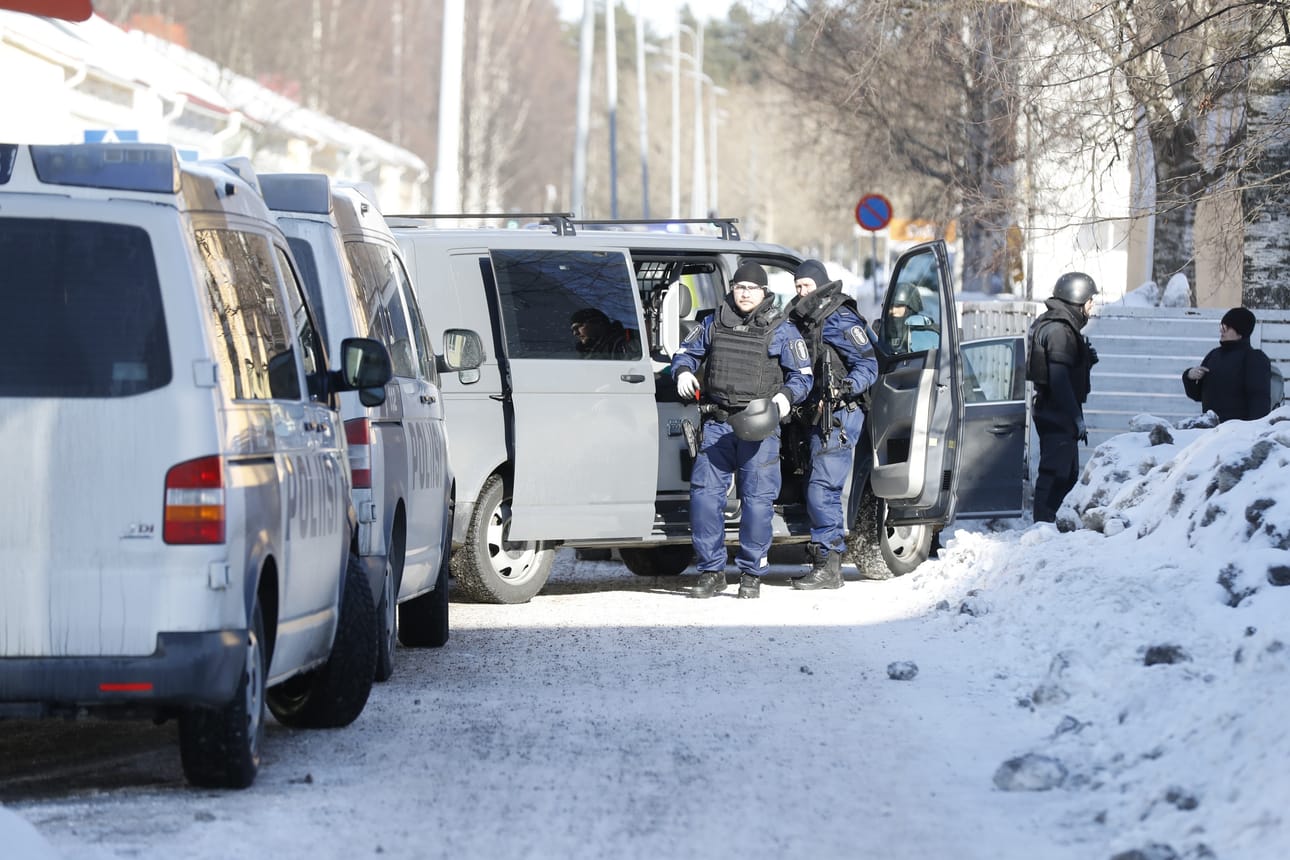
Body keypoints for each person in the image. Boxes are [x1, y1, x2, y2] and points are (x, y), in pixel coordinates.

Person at [671, 261, 813, 599]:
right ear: (732, 289)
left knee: (757, 503)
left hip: (759, 424)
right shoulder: (713, 322)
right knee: (704, 498)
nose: (744, 293)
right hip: (719, 423)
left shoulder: (781, 328)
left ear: (764, 292)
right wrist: (682, 372)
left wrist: (784, 399)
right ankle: (711, 571)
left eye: (751, 288)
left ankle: (751, 573)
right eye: (739, 287)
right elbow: (687, 352)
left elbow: (803, 376)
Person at [783, 259, 878, 590]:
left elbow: (867, 364)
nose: (800, 291)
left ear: (820, 284)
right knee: (815, 485)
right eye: (797, 286)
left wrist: (845, 388)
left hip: (839, 414)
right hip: (812, 413)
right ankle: (823, 560)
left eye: (806, 285)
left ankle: (830, 564)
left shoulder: (838, 316)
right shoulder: (800, 318)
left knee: (823, 487)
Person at [1026, 271, 1099, 523]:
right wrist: (1076, 417)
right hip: (1057, 411)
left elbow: (1064, 371)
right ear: (1077, 299)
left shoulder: (1057, 325)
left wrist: (1085, 360)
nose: (1092, 307)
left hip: (1056, 409)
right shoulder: (1059, 330)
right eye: (1090, 301)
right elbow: (1057, 377)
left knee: (1067, 474)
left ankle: (1052, 526)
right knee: (1055, 474)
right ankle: (1044, 527)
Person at [1181, 307, 1273, 422]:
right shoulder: (1213, 355)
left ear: (1240, 332)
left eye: (1226, 327)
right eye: (1221, 326)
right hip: (1210, 431)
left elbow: (1259, 402)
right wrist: (1189, 376)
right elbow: (1197, 395)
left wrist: (1252, 433)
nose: (1221, 331)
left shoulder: (1253, 358)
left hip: (1236, 434)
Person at [876, 281, 937, 353]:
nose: (893, 311)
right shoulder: (878, 332)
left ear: (911, 308)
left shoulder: (927, 335)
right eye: (890, 307)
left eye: (898, 306)